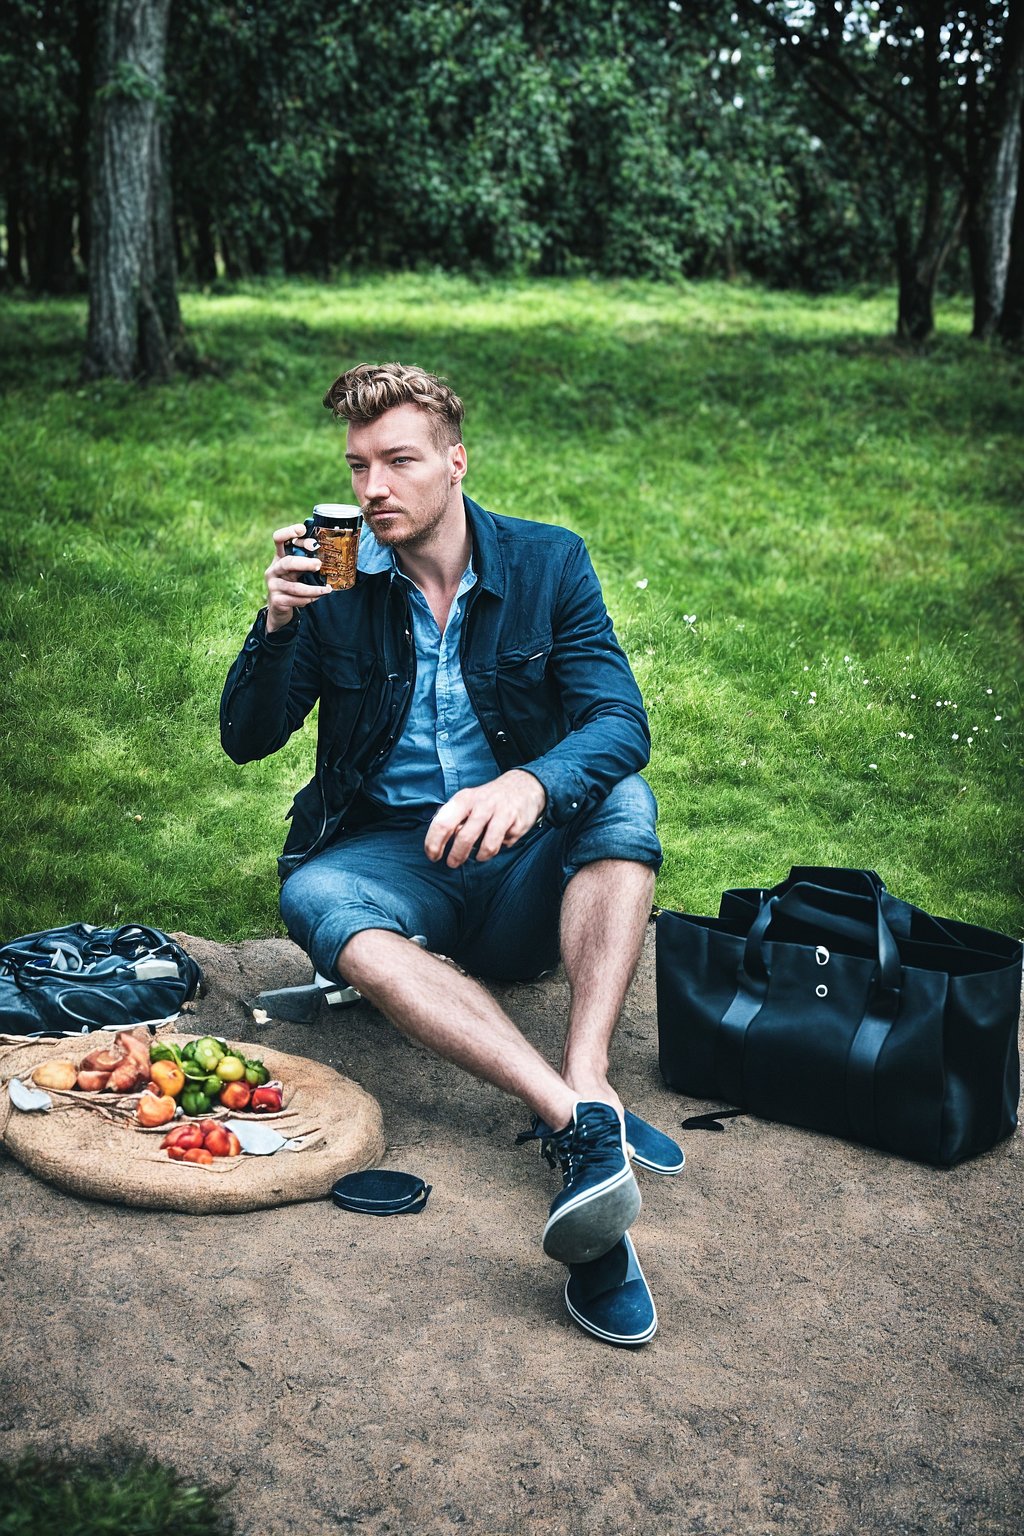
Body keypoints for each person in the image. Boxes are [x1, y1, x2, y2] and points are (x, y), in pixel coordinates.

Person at [220, 363, 682, 1347]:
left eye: (397, 462)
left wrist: (527, 786)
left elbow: (617, 721)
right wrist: (275, 626)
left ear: (455, 464)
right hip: (391, 857)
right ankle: (572, 1121)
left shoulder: (549, 563)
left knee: (621, 798)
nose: (372, 488)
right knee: (316, 893)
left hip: (519, 859)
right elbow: (247, 738)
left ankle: (588, 1072)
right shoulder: (336, 580)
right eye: (356, 468)